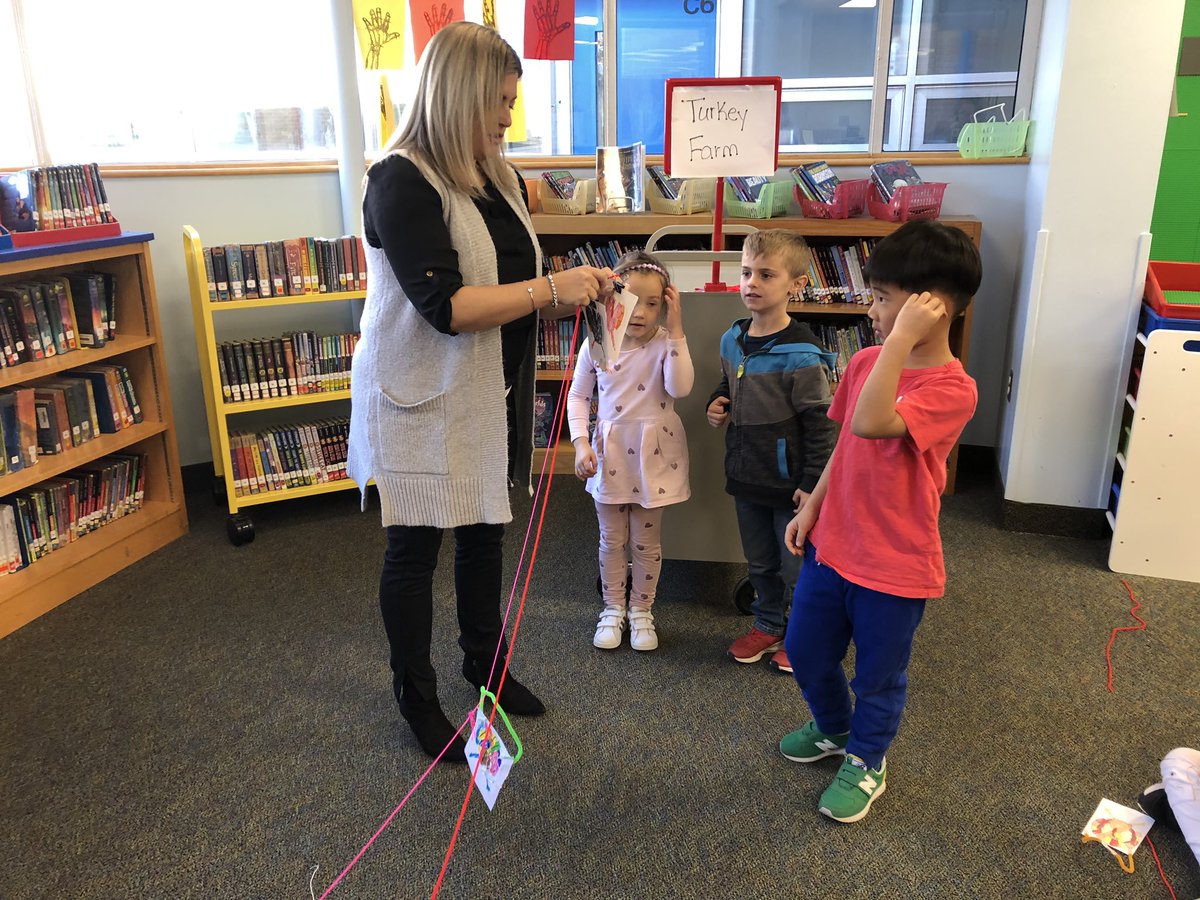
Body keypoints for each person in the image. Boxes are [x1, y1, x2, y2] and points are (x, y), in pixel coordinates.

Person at [347, 21, 613, 764]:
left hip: (486, 389)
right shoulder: (399, 179)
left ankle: (483, 664)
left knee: (484, 530)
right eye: (499, 100)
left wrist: (572, 291)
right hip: (419, 394)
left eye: (512, 100)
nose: (507, 117)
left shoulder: (498, 174)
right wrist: (549, 289)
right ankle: (417, 692)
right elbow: (451, 306)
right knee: (415, 547)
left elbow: (510, 276)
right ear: (458, 94)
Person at [778, 220, 982, 823]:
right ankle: (836, 730)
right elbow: (848, 443)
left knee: (878, 675)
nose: (871, 309)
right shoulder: (868, 360)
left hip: (893, 565)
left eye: (883, 299)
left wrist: (900, 342)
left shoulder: (954, 389)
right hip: (834, 545)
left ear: (930, 309)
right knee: (806, 651)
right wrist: (814, 503)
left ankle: (869, 759)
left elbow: (874, 423)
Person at [705, 229, 836, 673]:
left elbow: (822, 426)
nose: (751, 283)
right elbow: (728, 382)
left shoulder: (803, 355)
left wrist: (810, 485)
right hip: (746, 474)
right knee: (760, 560)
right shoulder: (732, 339)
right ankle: (766, 623)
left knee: (795, 565)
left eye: (765, 274)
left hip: (790, 483)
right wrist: (717, 402)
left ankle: (801, 634)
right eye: (745, 273)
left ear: (795, 285)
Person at [567, 250, 693, 652]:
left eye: (652, 303)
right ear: (610, 298)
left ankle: (642, 610)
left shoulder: (663, 344)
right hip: (611, 455)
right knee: (610, 538)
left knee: (645, 541)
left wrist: (676, 330)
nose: (639, 312)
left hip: (654, 456)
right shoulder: (597, 344)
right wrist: (581, 443)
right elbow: (578, 397)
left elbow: (680, 387)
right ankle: (612, 609)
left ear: (665, 304)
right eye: (629, 300)